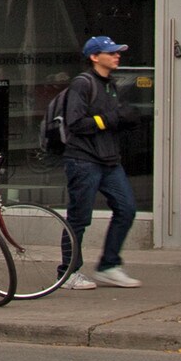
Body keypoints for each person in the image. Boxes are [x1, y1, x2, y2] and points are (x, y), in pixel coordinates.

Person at [62, 34, 141, 290]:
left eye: (118, 52)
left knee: (127, 208)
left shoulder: (111, 84)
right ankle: (68, 273)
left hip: (109, 159)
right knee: (79, 217)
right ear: (95, 57)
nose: (117, 55)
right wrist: (109, 119)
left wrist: (127, 119)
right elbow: (75, 123)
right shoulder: (82, 84)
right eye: (112, 52)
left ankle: (109, 266)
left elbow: (114, 118)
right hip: (83, 159)